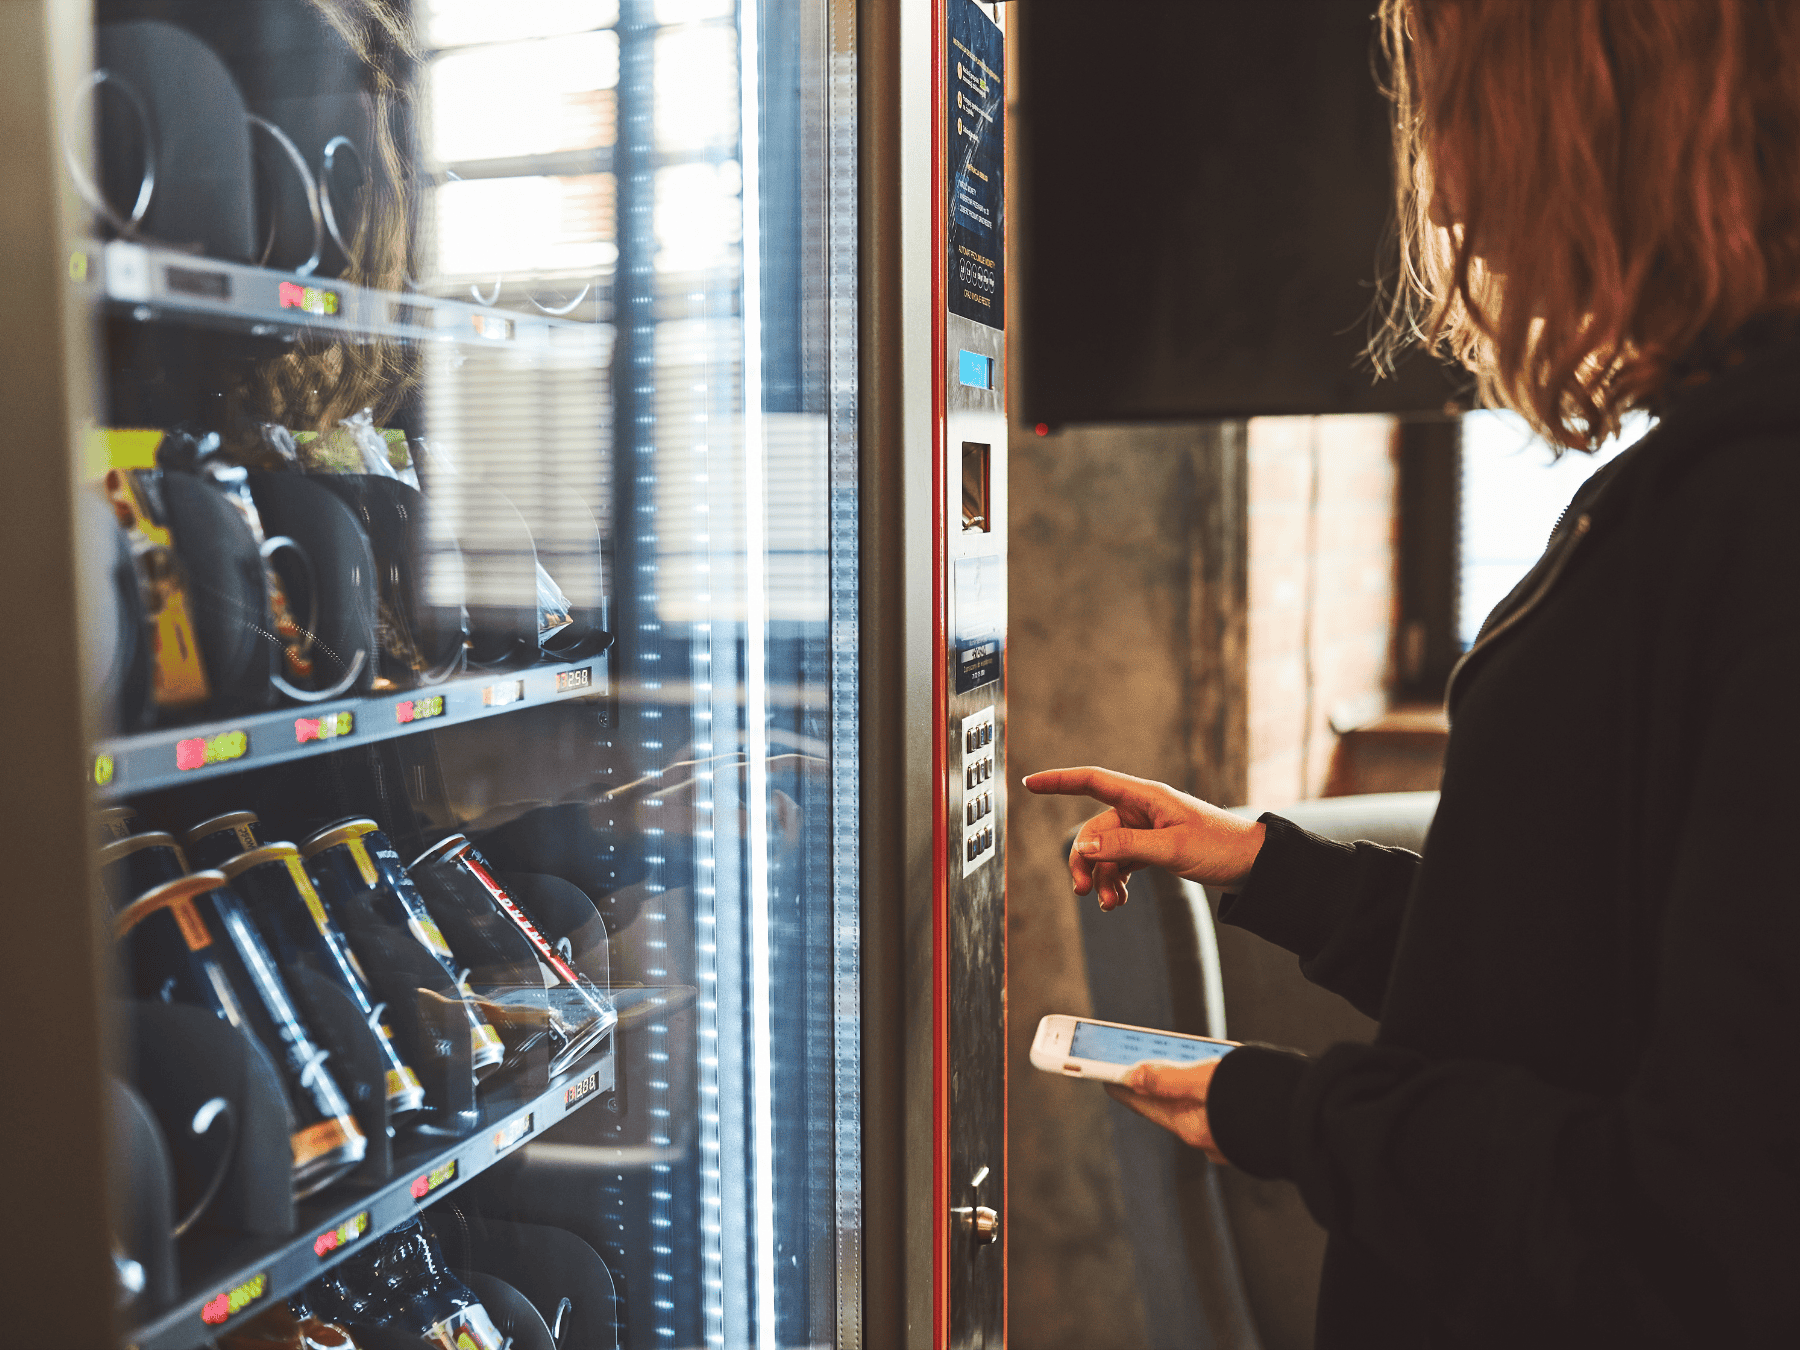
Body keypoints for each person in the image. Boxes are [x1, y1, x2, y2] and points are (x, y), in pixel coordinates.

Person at [1023, 1, 1800, 1346]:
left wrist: (1296, 1112)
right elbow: (1572, 976)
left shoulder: (1757, 516)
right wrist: (1270, 864)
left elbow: (1703, 1224)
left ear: (1623, 111)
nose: (1442, 183)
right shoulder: (1710, 480)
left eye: (1459, 106)